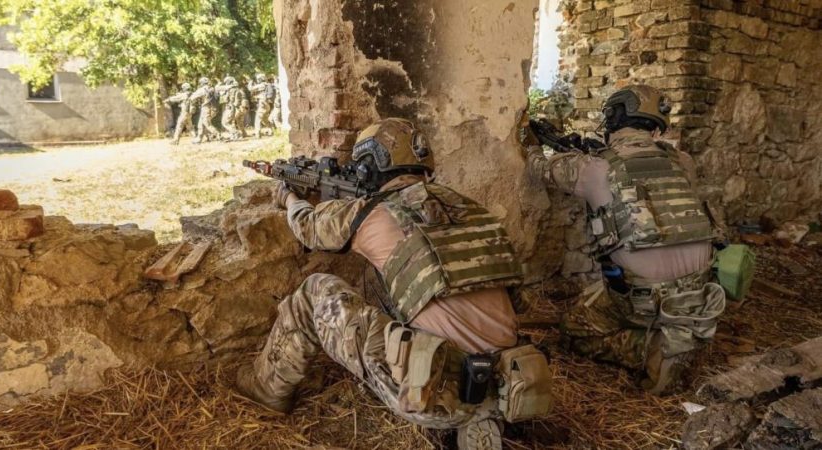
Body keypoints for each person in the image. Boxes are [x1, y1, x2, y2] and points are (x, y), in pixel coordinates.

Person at [236, 118, 553, 450]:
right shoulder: (475, 211)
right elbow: (515, 299)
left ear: (370, 166)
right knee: (392, 286)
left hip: (432, 394)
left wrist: (289, 196)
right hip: (512, 386)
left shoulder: (372, 213)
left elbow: (308, 227)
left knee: (314, 290)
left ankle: (266, 388)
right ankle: (479, 420)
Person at [521, 85, 725, 395]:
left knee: (574, 327)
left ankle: (653, 348)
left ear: (613, 118)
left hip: (643, 301)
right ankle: (682, 332)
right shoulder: (683, 161)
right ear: (656, 124)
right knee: (601, 289)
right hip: (698, 293)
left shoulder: (594, 168)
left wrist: (532, 144)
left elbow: (538, 169)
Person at [189, 77, 220, 143]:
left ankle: (218, 135)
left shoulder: (202, 89)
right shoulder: (212, 88)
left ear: (202, 83)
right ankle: (199, 138)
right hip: (214, 108)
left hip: (206, 108)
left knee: (207, 123)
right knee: (200, 124)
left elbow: (192, 97)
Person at [249, 74, 275, 138]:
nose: (257, 80)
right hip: (267, 104)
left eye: (258, 79)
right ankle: (271, 130)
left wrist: (250, 81)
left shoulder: (261, 85)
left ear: (260, 79)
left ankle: (257, 134)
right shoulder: (267, 85)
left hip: (262, 103)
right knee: (265, 119)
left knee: (258, 119)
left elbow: (250, 88)